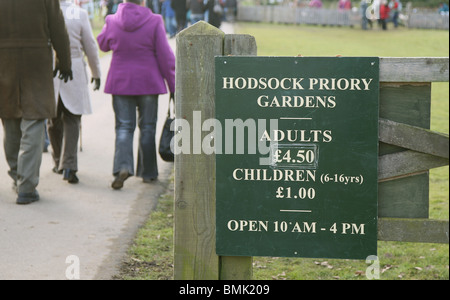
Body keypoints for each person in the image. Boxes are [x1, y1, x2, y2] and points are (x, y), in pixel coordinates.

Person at [97, 0, 175, 189]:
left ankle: (122, 167)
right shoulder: (155, 20)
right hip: (148, 82)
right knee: (147, 127)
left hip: (121, 82)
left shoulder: (112, 20)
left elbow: (103, 44)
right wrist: (173, 85)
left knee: (124, 127)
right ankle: (148, 173)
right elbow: (165, 56)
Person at [0, 0, 72, 205]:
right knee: (34, 121)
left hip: (3, 60)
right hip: (36, 60)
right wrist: (64, 62)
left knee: (10, 119)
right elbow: (58, 26)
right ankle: (27, 185)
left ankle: (17, 176)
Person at [48, 0, 101, 184]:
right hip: (74, 70)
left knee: (53, 119)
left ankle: (57, 161)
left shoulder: (46, 11)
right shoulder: (79, 14)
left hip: (51, 70)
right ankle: (68, 165)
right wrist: (96, 73)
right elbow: (90, 47)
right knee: (72, 118)